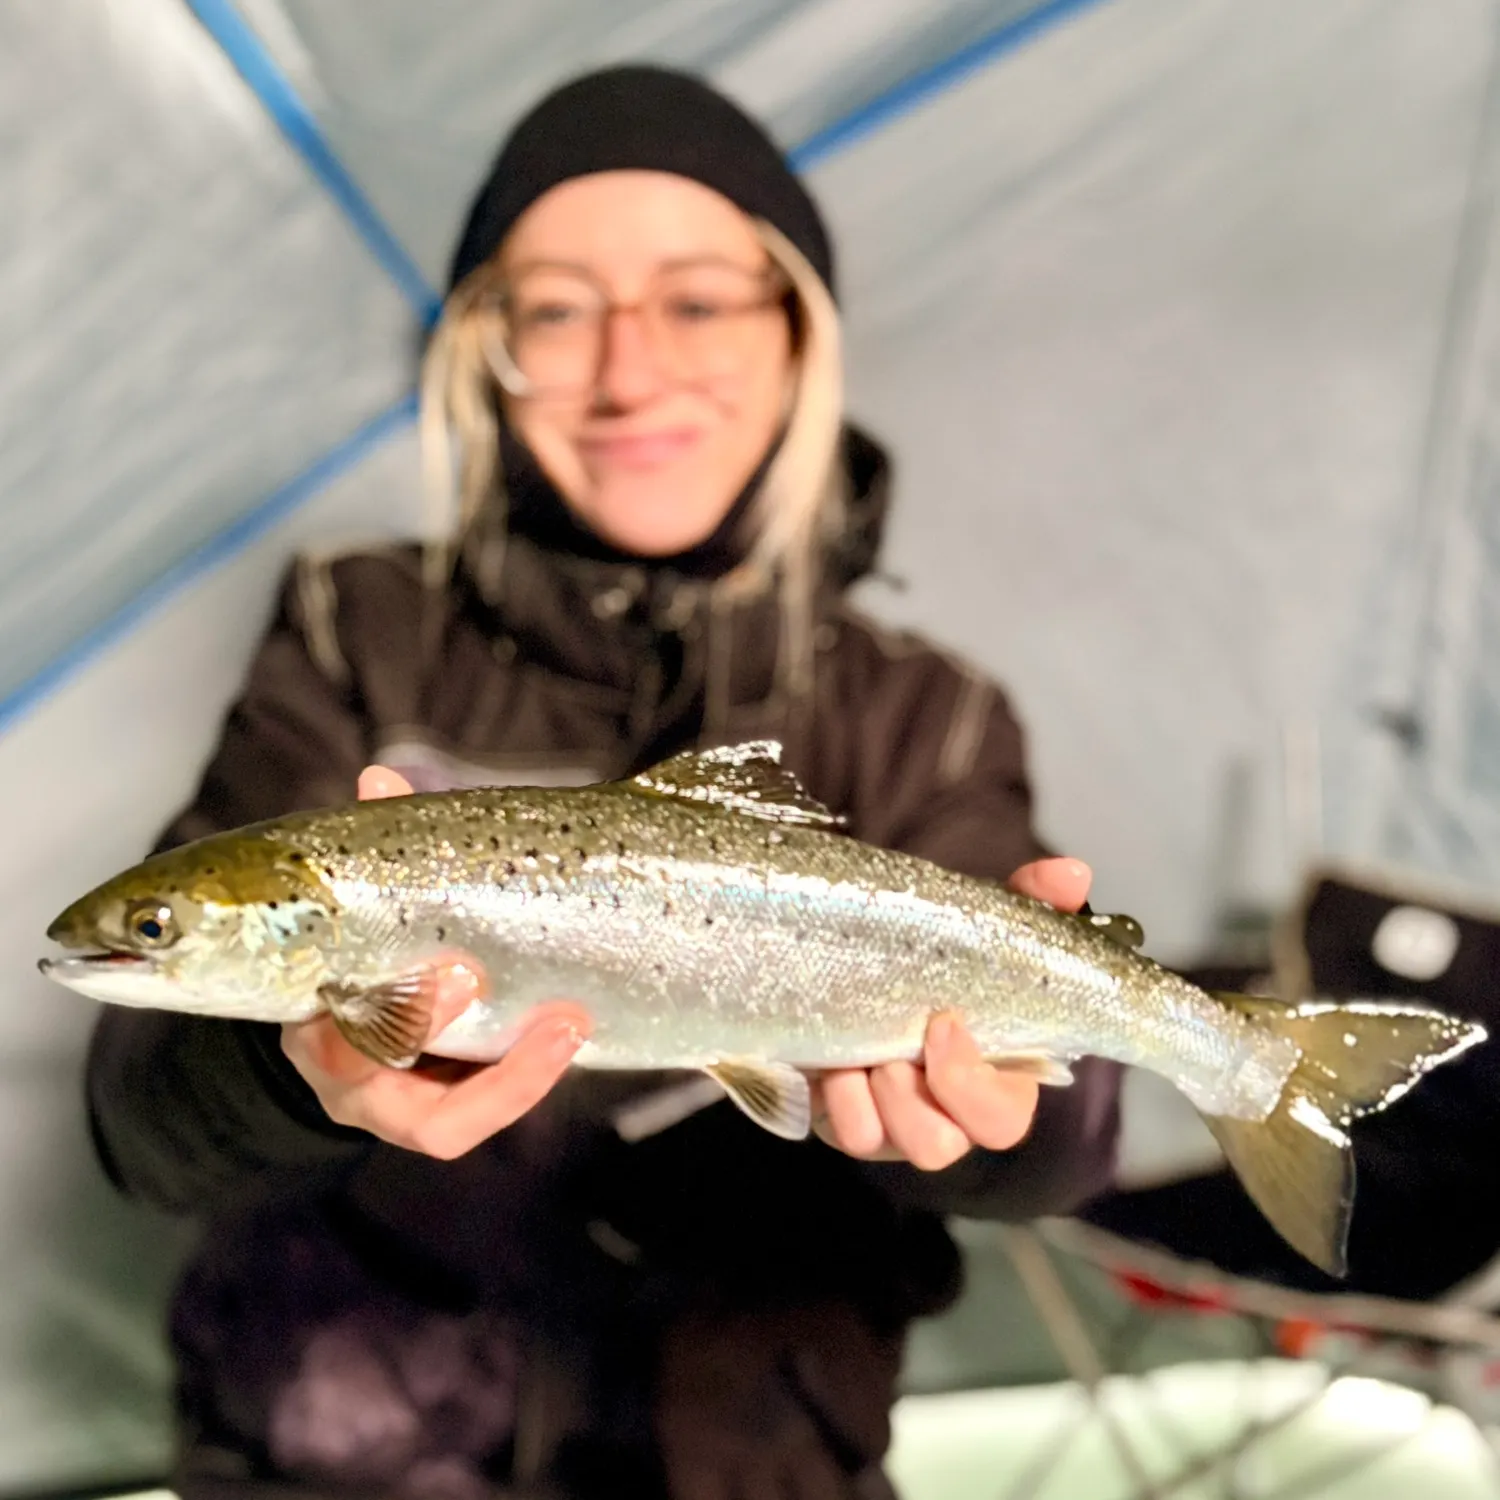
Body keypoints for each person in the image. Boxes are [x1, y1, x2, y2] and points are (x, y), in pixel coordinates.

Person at [86, 65, 1123, 1500]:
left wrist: (1004, 1129)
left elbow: (1074, 1140)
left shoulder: (930, 716)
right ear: (483, 352)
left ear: (798, 336)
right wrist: (289, 1067)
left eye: (696, 301)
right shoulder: (352, 625)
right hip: (338, 1456)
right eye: (556, 310)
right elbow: (137, 1120)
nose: (628, 372)